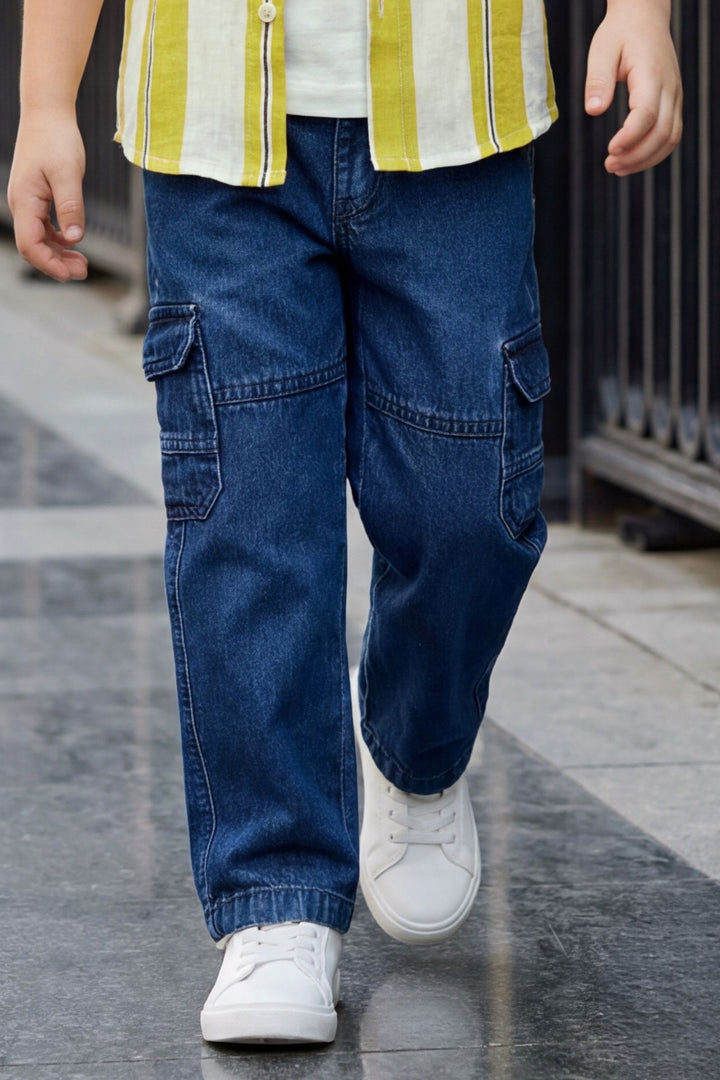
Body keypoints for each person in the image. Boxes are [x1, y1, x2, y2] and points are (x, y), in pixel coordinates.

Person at [8, 0, 681, 1047]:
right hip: (214, 123)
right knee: (248, 514)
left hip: (462, 110)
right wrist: (47, 99)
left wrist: (642, 12)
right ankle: (275, 902)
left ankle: (414, 743)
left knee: (470, 505)